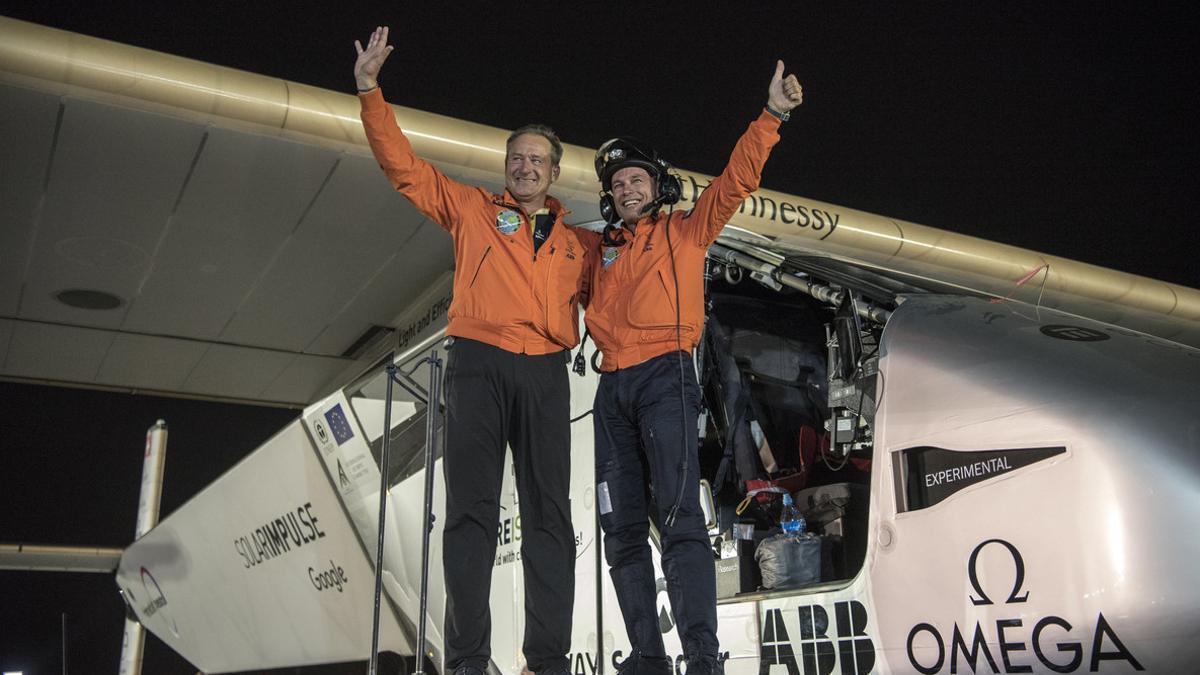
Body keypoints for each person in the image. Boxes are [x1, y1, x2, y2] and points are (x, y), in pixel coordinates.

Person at [354, 26, 587, 675]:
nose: (526, 166)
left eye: (538, 159)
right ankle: (466, 659)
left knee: (548, 519)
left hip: (545, 372)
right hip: (478, 367)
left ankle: (547, 658)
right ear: (507, 166)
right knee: (470, 517)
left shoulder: (580, 245)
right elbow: (404, 169)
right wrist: (371, 92)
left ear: (554, 171)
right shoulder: (474, 211)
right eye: (517, 158)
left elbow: (631, 289)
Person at [582, 62, 804, 675]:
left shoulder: (687, 231)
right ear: (609, 195)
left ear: (658, 187)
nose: (628, 189)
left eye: (637, 180)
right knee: (621, 531)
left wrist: (771, 116)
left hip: (664, 378)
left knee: (680, 520)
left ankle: (702, 658)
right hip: (611, 391)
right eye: (618, 183)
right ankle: (648, 658)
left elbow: (734, 182)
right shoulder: (593, 253)